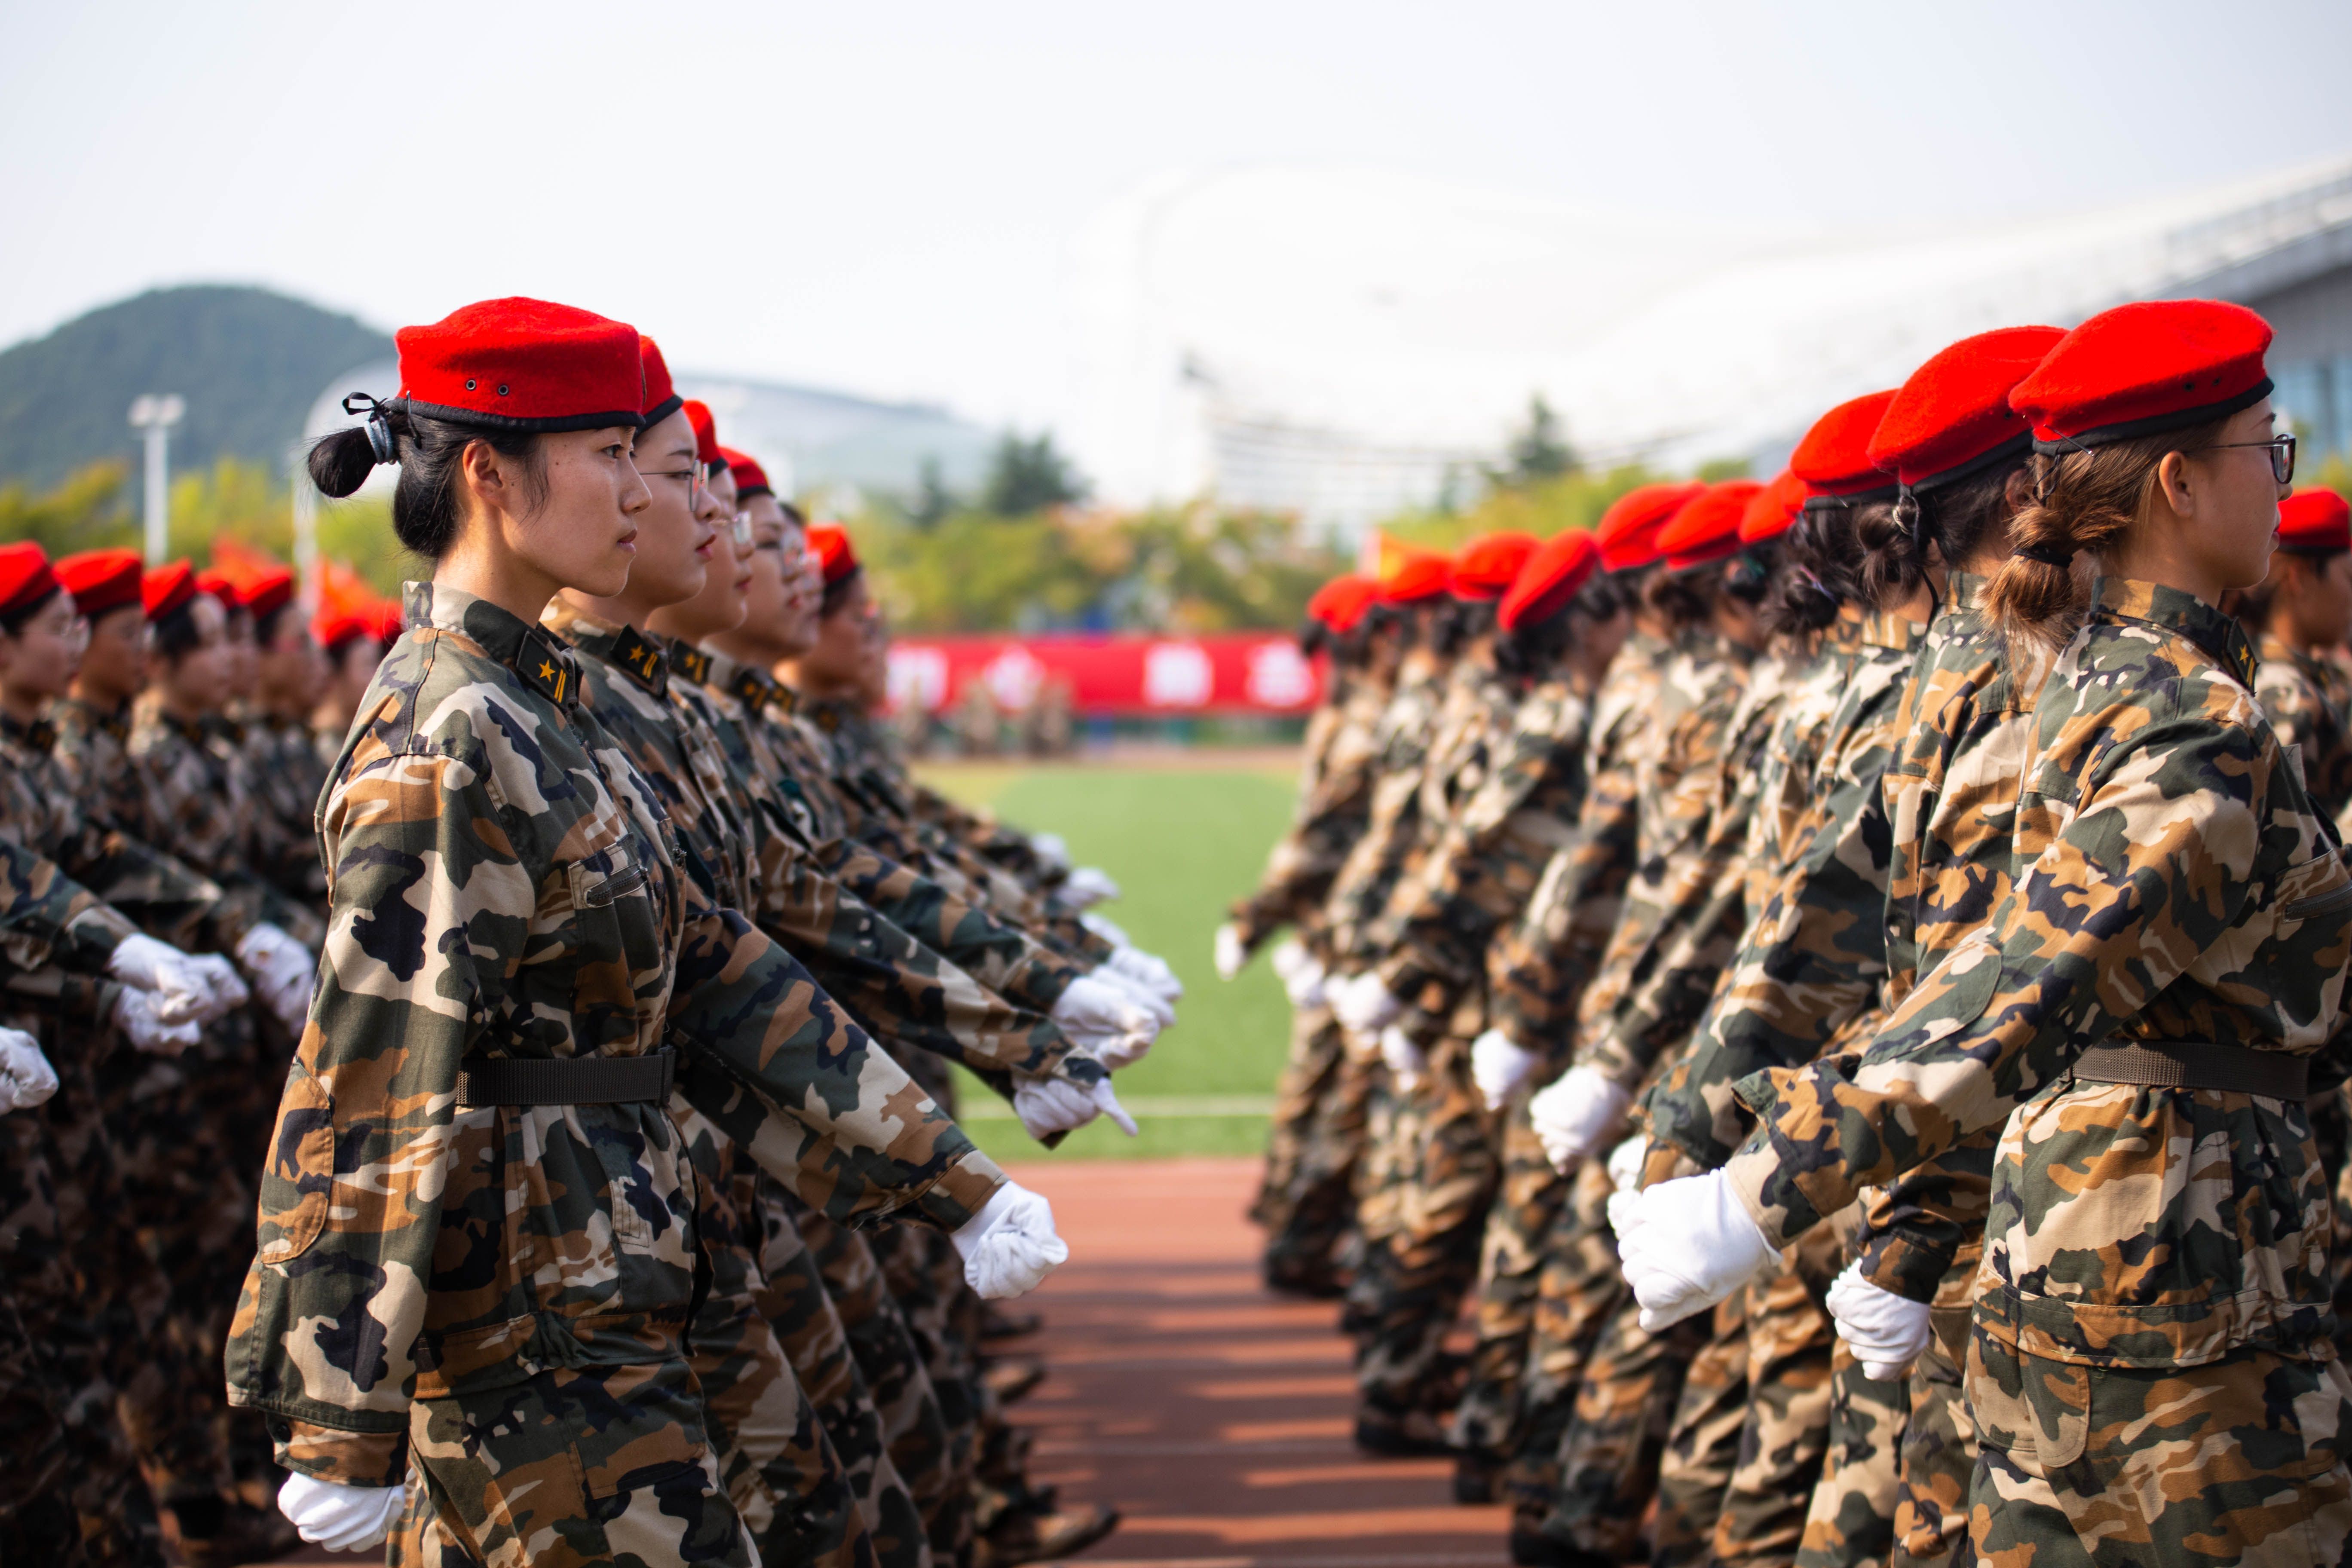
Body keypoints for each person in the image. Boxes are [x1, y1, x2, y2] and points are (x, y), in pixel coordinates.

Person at [234, 297, 1067, 1565]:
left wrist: (956, 1185)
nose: (641, 492)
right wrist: (340, 1414)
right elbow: (374, 1071)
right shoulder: (449, 734)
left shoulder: (540, 712)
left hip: (617, 1259)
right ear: (488, 474)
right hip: (524, 1311)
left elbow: (716, 968)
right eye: (610, 456)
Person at [1623, 298, 2351, 1566]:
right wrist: (1759, 1190)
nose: (2280, 487)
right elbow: (2020, 976)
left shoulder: (2077, 680)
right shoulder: (2188, 713)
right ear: (2180, 482)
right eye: (2266, 449)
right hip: (2184, 1269)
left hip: (2080, 1239)